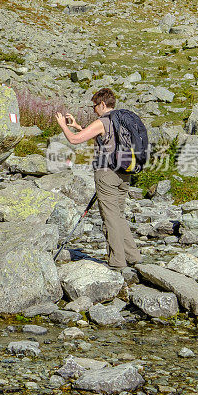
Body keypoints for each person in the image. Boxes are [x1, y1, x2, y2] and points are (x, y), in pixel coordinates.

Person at [54, 88, 141, 269]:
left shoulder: (103, 121)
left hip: (106, 174)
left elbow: (75, 140)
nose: (94, 110)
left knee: (109, 217)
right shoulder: (122, 121)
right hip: (125, 173)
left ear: (102, 104)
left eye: (94, 106)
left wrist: (62, 124)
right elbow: (105, 139)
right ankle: (133, 256)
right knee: (118, 215)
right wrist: (78, 127)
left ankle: (117, 262)